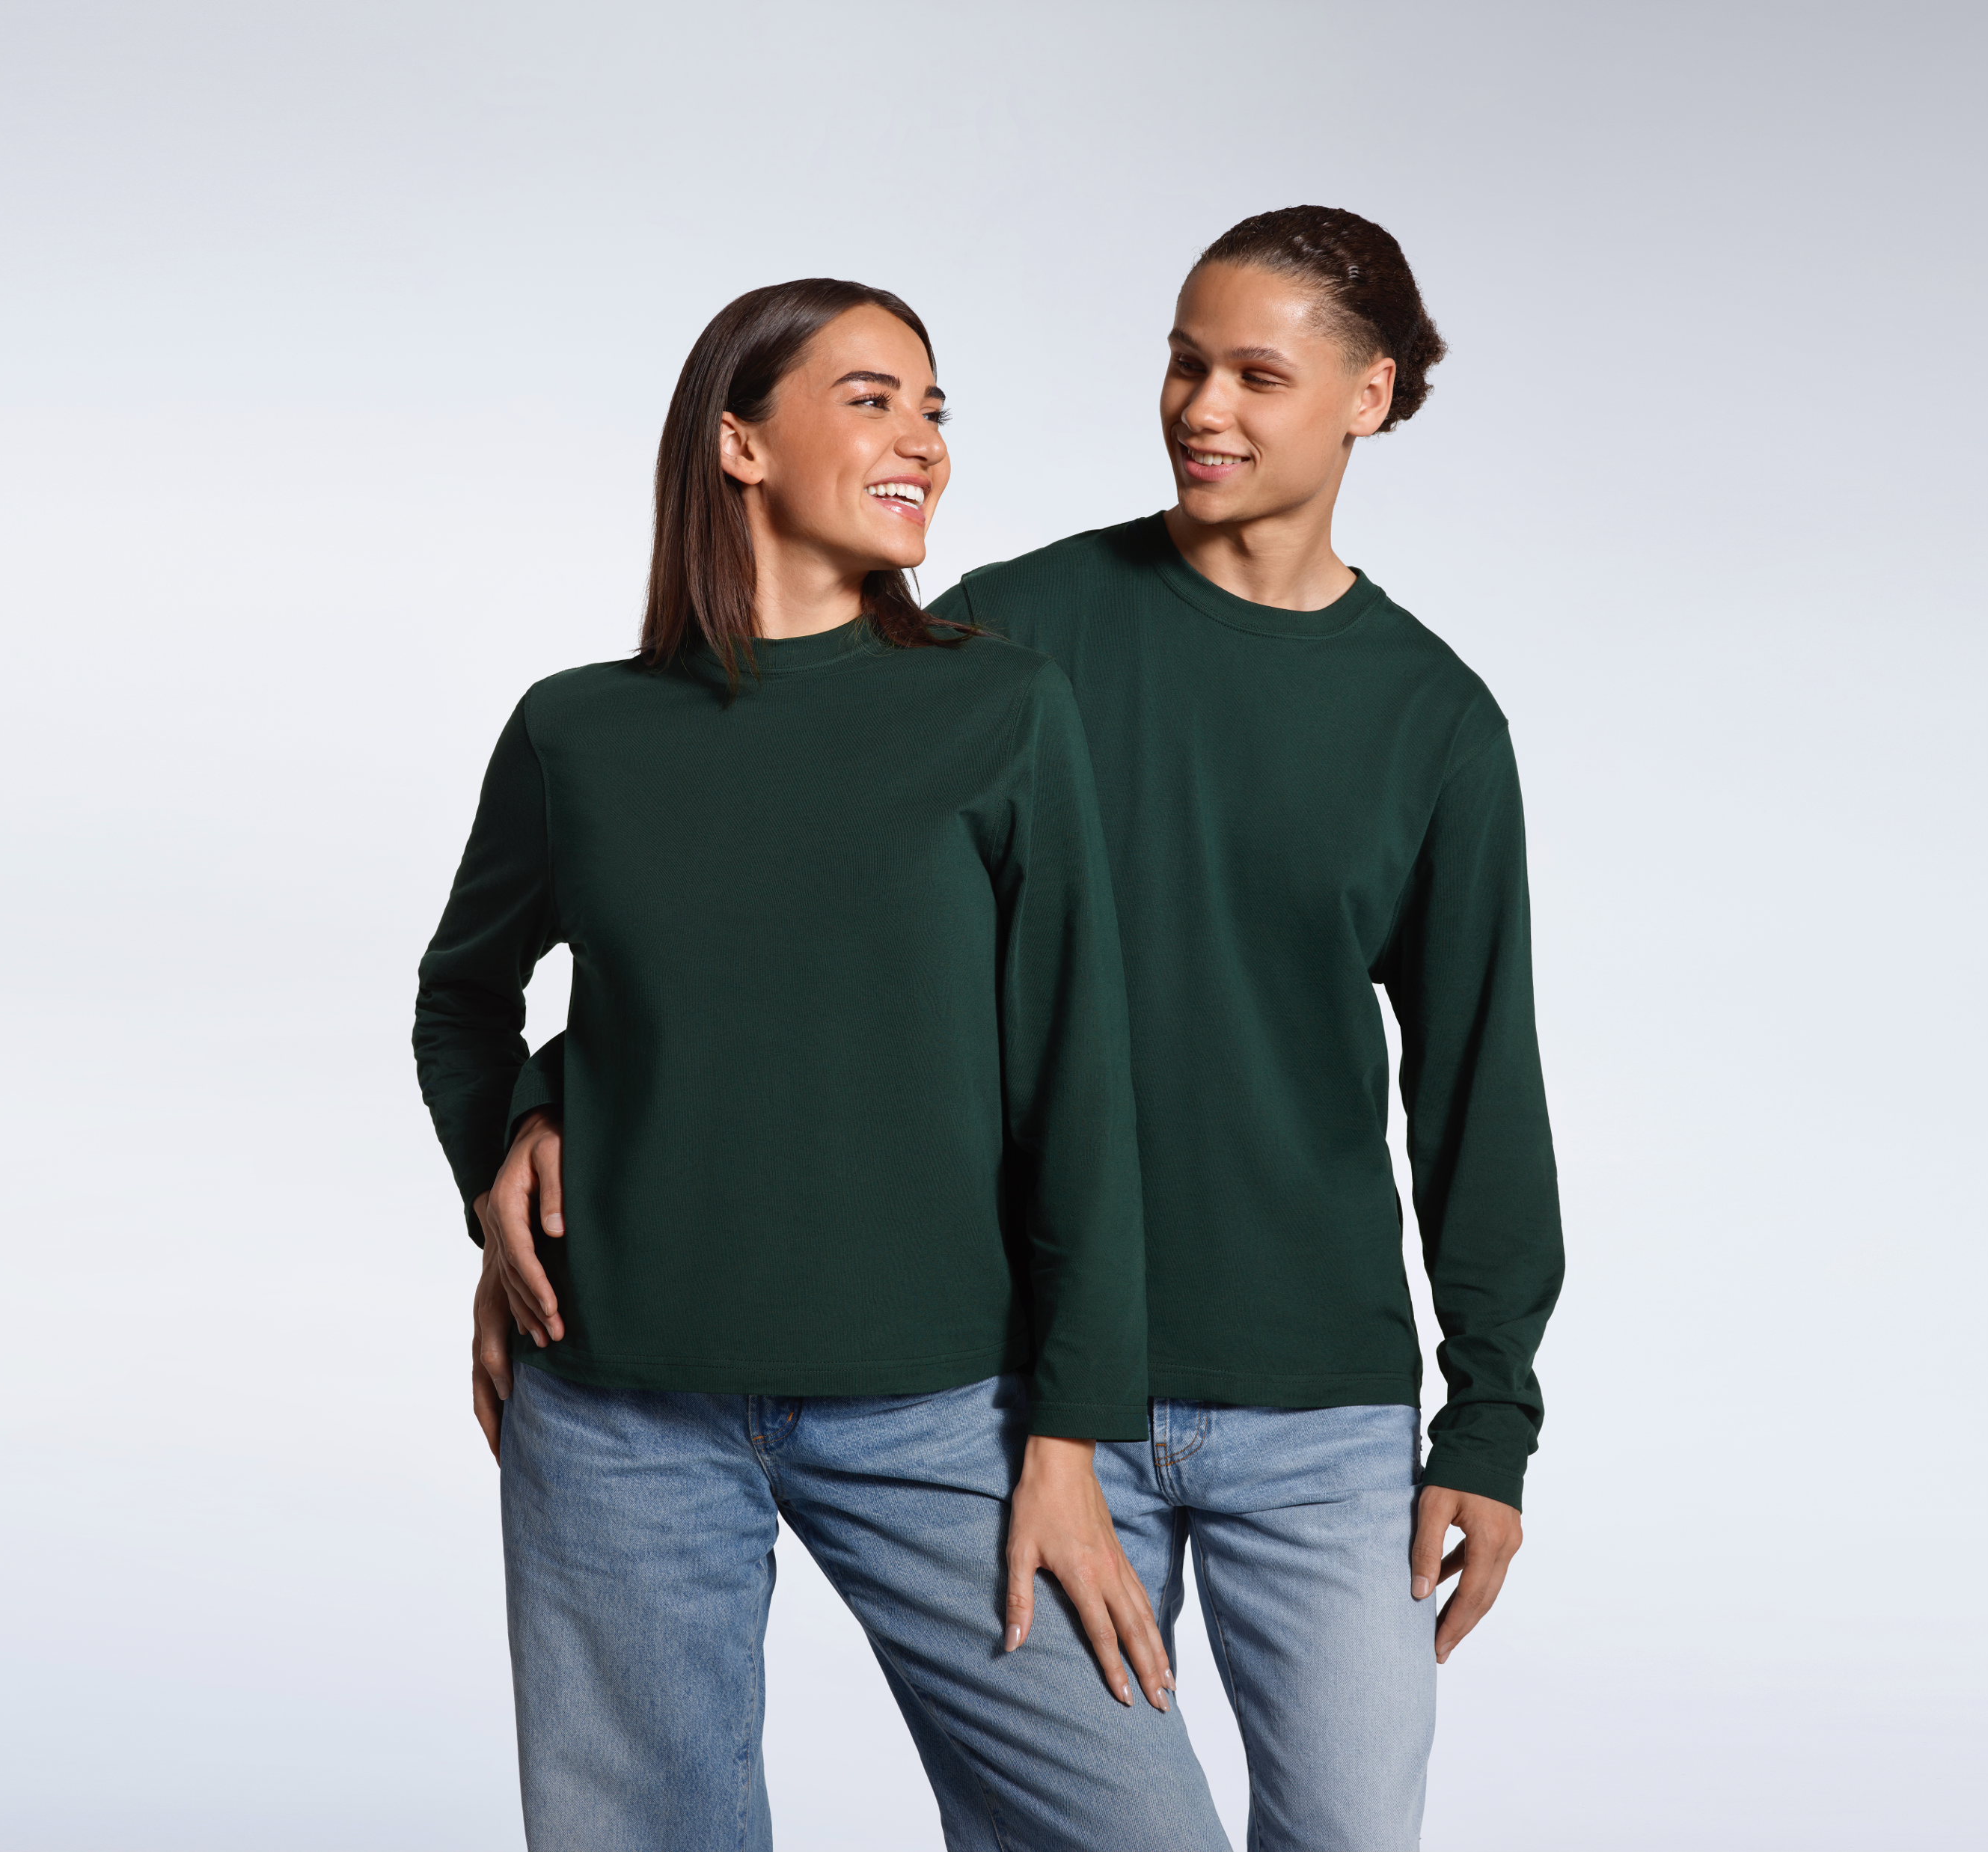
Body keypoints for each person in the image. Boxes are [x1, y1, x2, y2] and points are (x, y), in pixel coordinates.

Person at [496, 210, 1565, 1850]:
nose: (1201, 407)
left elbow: (1480, 1087)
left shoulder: (1434, 718)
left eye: (1256, 375)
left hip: (1311, 1389)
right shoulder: (1009, 633)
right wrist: (565, 1113)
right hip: (1029, 1371)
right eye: (1184, 363)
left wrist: (1490, 1411)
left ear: (1369, 396)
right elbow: (771, 901)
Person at [414, 278, 1229, 1852]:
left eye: (934, 409)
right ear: (739, 442)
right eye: (872, 399)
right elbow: (465, 997)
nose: (922, 439)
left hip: (941, 1402)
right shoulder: (579, 732)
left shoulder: (999, 706)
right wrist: (505, 1146)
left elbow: (1077, 1083)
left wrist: (1071, 1435)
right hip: (616, 1406)